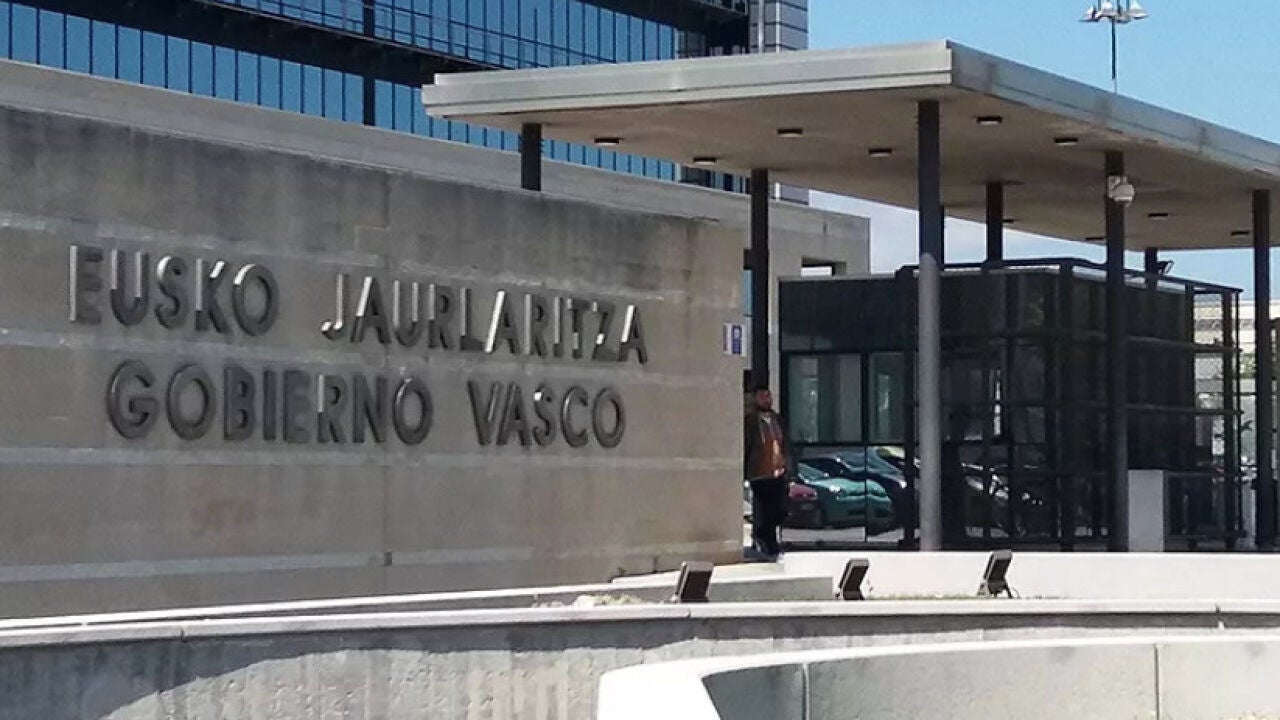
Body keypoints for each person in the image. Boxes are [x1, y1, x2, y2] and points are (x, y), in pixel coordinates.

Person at [744, 384, 790, 559]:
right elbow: (747, 445)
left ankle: (772, 541)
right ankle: (761, 540)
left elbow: (785, 444)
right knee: (762, 510)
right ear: (756, 399)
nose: (766, 400)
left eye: (768, 396)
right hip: (759, 473)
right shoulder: (751, 421)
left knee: (776, 509)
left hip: (778, 472)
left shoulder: (777, 420)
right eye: (762, 397)